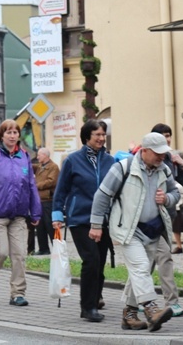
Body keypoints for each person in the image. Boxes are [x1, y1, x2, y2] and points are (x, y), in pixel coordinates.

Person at [90, 132, 180, 332]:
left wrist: (166, 199)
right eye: (157, 153)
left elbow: (175, 193)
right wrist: (96, 225)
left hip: (153, 230)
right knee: (140, 267)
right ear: (144, 150)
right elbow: (102, 195)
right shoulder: (123, 168)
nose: (161, 157)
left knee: (140, 273)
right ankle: (151, 309)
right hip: (127, 230)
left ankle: (129, 315)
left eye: (164, 153)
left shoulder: (164, 170)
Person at [53, 120, 114, 323]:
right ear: (87, 136)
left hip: (104, 220)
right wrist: (57, 216)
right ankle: (87, 308)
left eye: (103, 134)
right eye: (97, 134)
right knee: (91, 260)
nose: (101, 138)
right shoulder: (73, 161)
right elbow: (60, 191)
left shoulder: (110, 161)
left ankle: (95, 299)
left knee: (100, 263)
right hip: (80, 218)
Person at [0, 120, 41, 307]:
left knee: (19, 254)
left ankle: (17, 293)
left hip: (19, 215)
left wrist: (35, 211)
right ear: (1, 135)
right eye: (8, 132)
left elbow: (30, 185)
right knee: (0, 252)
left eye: (15, 132)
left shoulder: (24, 156)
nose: (12, 136)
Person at [149, 123, 183, 318]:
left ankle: (171, 302)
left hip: (167, 217)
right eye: (162, 136)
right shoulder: (146, 159)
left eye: (168, 135)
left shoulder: (171, 160)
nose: (167, 139)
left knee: (163, 258)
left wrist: (182, 164)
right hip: (146, 218)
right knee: (147, 263)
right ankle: (135, 301)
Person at [33, 147, 60, 255]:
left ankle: (57, 248)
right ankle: (43, 248)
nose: (37, 157)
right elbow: (30, 167)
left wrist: (36, 186)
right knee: (40, 226)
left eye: (39, 155)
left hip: (48, 200)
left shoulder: (53, 167)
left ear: (45, 155)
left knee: (50, 225)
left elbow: (51, 181)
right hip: (39, 200)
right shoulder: (40, 166)